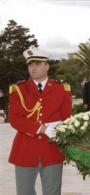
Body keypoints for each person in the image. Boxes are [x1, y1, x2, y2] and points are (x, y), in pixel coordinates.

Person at [8, 48, 72, 195]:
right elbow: (15, 119)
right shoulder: (19, 89)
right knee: (24, 192)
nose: (33, 68)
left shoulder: (61, 89)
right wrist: (41, 129)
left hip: (52, 150)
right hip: (25, 151)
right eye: (30, 65)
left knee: (52, 192)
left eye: (38, 63)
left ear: (47, 66)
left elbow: (66, 118)